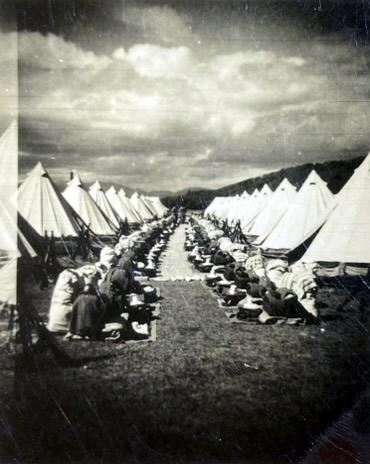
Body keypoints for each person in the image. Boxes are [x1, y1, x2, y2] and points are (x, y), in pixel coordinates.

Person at [47, 265, 97, 333]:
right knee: (86, 301)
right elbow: (86, 291)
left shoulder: (65, 274)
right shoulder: (75, 277)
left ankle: (57, 325)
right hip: (66, 318)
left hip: (53, 323)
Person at [66, 269, 105, 340]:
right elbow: (101, 311)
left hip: (77, 329)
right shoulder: (95, 299)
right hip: (90, 328)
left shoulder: (78, 299)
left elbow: (73, 314)